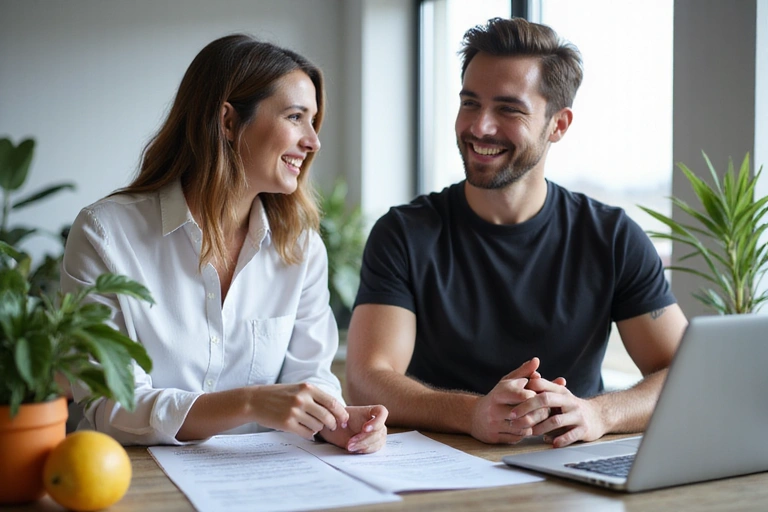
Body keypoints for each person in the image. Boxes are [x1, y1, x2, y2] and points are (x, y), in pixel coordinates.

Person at [345, 17, 688, 448]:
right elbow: (365, 380)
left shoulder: (612, 237)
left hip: (568, 471)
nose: (480, 127)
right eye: (470, 103)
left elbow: (682, 372)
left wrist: (599, 412)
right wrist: (474, 414)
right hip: (436, 473)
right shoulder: (404, 233)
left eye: (508, 109)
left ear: (558, 125)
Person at [61, 34, 387, 452]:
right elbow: (109, 404)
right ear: (229, 122)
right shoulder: (104, 234)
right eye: (295, 117)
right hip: (134, 483)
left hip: (266, 483)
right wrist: (249, 403)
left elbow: (312, 377)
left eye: (313, 120)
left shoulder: (301, 248)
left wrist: (334, 420)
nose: (313, 141)